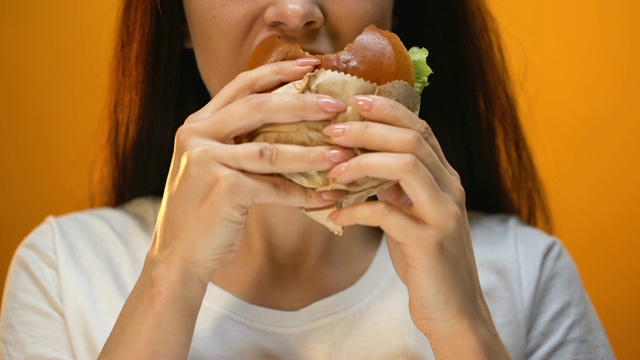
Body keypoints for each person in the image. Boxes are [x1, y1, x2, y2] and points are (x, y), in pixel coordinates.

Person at [0, 0, 614, 359]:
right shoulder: (64, 268)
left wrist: (463, 332)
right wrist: (172, 275)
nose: (297, 12)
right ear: (179, 21)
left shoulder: (527, 273)